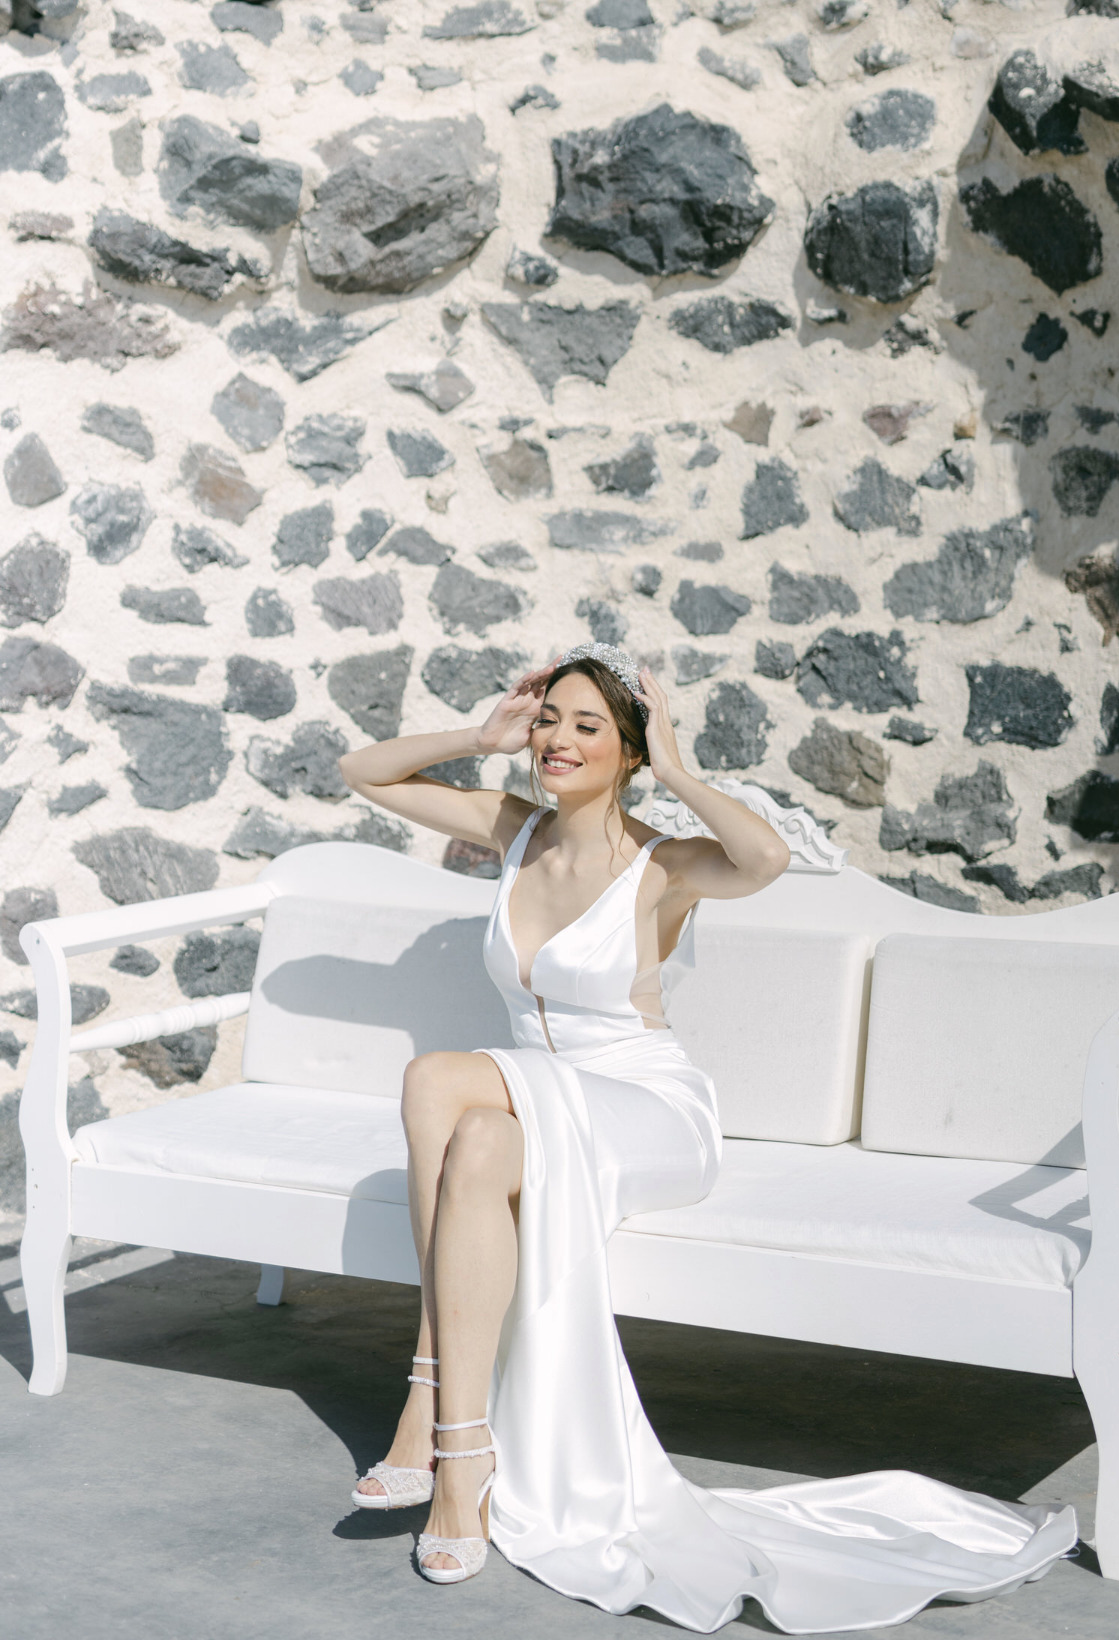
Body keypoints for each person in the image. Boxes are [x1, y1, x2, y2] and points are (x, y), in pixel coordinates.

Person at [337, 639, 1076, 1631]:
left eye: (586, 725)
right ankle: (449, 1432)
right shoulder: (512, 830)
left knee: (460, 1106)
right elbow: (363, 772)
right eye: (549, 718)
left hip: (643, 1108)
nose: (556, 738)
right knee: (443, 1096)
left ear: (629, 753)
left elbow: (763, 859)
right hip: (542, 1092)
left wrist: (679, 767)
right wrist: (480, 734)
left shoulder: (661, 866)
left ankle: (441, 1440)